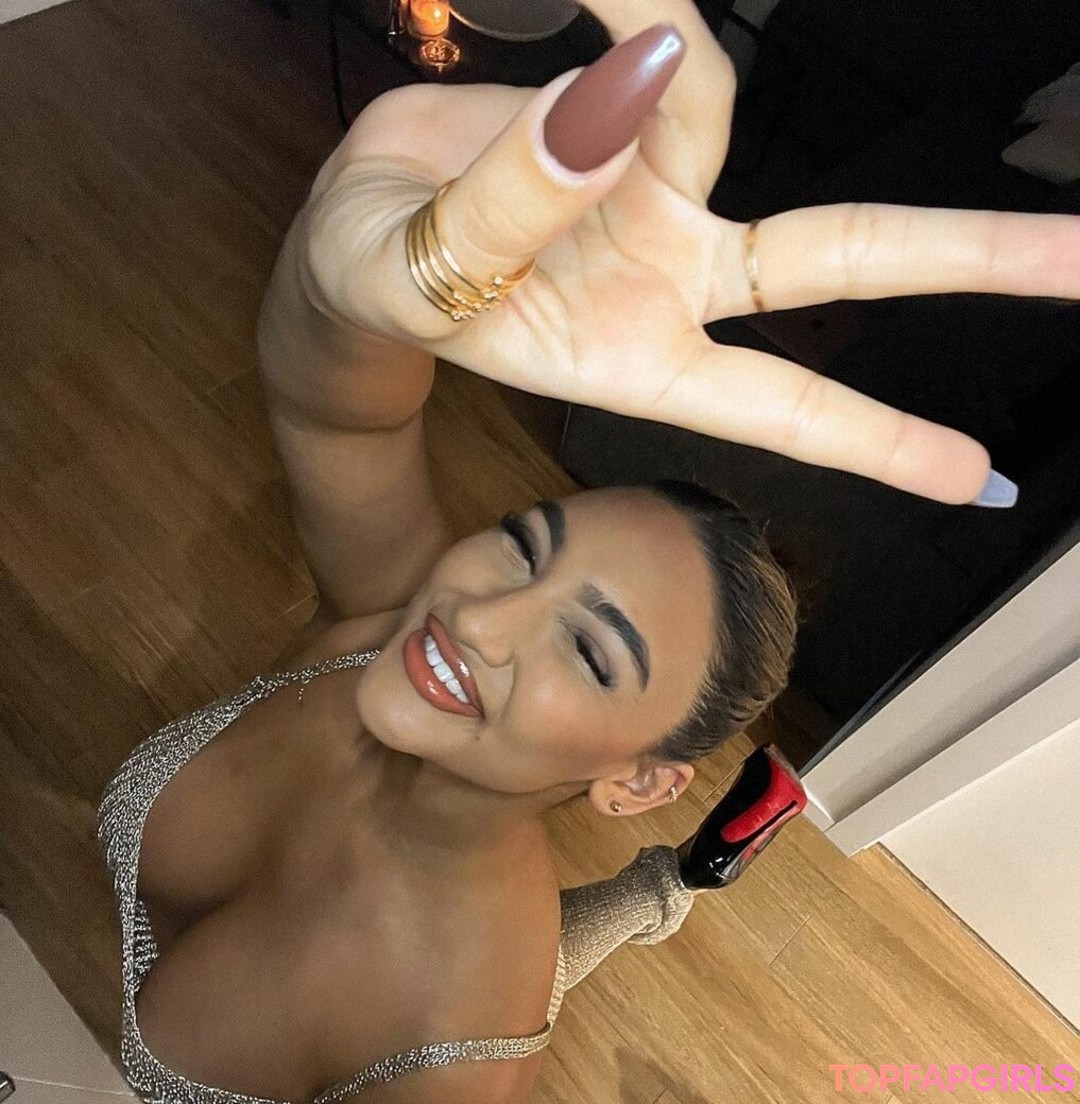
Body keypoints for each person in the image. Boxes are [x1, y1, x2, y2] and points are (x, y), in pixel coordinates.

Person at [97, 1, 1080, 1101]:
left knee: (554, 954)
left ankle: (661, 889)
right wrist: (345, 285)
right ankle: (661, 891)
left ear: (641, 780)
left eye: (590, 651)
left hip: (474, 973)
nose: (475, 615)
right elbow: (339, 413)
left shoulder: (457, 1061)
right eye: (524, 550)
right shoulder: (389, 617)